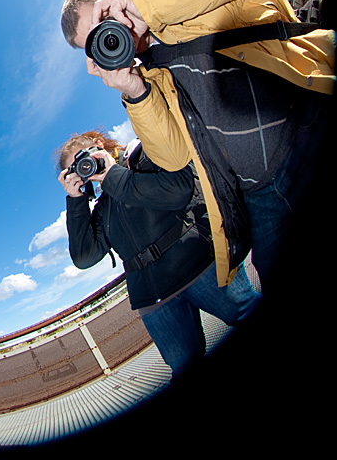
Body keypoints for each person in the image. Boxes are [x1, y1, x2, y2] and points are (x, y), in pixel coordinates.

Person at [60, 0, 335, 289]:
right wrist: (133, 89)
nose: (111, 37)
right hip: (258, 196)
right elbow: (173, 159)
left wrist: (143, 5)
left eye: (102, 23)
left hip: (308, 121)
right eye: (97, 43)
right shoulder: (145, 75)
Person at [58, 128, 261, 377]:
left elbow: (179, 191)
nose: (85, 168)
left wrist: (113, 174)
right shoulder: (102, 209)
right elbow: (84, 257)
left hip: (201, 266)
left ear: (99, 145)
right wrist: (76, 199)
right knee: (184, 367)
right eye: (77, 170)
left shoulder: (142, 156)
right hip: (156, 300)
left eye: (83, 159)